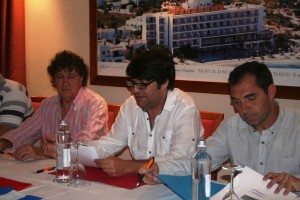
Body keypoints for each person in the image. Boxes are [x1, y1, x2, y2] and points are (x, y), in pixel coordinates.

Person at [141, 61, 300, 196]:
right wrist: (160, 169)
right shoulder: (232, 126)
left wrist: (298, 183)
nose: (243, 109)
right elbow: (199, 161)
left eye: (251, 98)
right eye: (236, 101)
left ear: (271, 91)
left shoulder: (296, 124)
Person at [89, 49, 202, 177]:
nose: (134, 90)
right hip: (142, 182)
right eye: (132, 83)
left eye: (142, 85)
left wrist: (128, 166)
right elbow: (111, 143)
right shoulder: (130, 105)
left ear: (164, 83)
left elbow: (182, 162)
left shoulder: (185, 108)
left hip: (176, 185)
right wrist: (77, 151)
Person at [0, 50, 108, 161]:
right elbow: (25, 132)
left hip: (85, 168)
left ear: (81, 79)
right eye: (60, 77)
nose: (65, 82)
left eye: (71, 77)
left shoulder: (95, 104)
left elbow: (85, 146)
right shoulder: (48, 105)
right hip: (50, 167)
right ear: (54, 80)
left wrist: (43, 152)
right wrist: (4, 142)